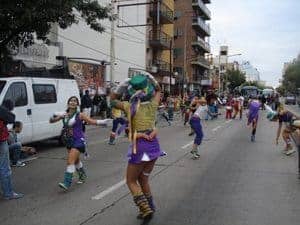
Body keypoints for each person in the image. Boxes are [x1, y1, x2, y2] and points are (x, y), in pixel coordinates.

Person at [110, 74, 163, 221]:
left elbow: (112, 100)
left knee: (131, 181)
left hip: (140, 148)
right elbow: (159, 90)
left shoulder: (129, 106)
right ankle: (150, 206)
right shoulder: (154, 104)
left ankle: (144, 208)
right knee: (143, 179)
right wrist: (151, 78)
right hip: (153, 147)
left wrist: (122, 84)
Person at [50, 96, 111, 191]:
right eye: (71, 101)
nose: (73, 102)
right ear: (68, 103)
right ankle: (83, 176)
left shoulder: (80, 115)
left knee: (70, 161)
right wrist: (55, 116)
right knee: (76, 160)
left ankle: (67, 183)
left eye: (75, 101)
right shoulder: (64, 114)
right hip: (68, 141)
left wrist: (102, 121)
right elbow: (51, 121)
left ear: (77, 104)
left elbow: (91, 121)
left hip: (79, 140)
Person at [0, 100, 24, 200]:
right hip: (1, 140)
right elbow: (11, 118)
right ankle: (8, 193)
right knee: (5, 168)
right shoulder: (2, 111)